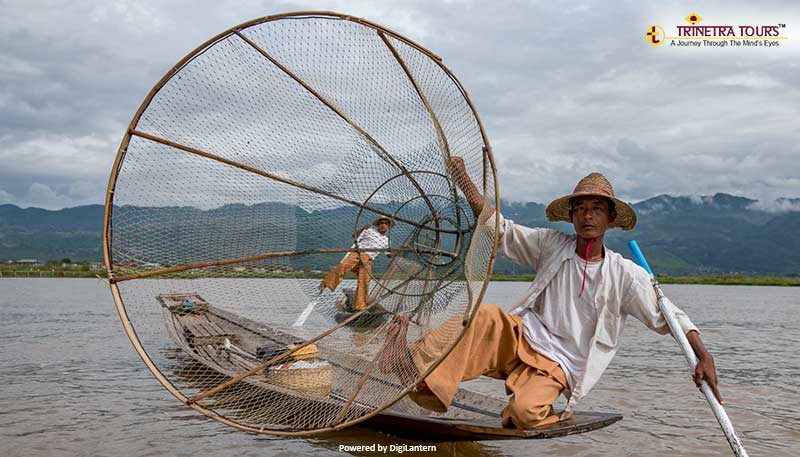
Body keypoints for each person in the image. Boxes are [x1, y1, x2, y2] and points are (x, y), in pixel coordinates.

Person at [381, 158, 721, 429]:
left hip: (559, 366)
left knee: (527, 415)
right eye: (581, 208)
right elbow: (499, 229)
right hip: (521, 337)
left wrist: (703, 355)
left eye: (597, 208)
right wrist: (465, 181)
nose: (588, 215)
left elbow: (670, 316)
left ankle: (524, 409)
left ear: (610, 218)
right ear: (571, 216)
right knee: (485, 316)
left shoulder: (625, 275)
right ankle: (407, 362)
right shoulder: (551, 246)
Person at [319, 215, 393, 310]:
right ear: (378, 225)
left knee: (365, 280)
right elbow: (354, 235)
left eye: (386, 224)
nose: (383, 225)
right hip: (358, 253)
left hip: (368, 260)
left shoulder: (387, 241)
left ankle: (360, 306)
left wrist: (402, 249)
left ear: (388, 227)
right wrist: (362, 229)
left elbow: (389, 255)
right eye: (381, 223)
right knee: (343, 266)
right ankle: (326, 282)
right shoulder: (370, 231)